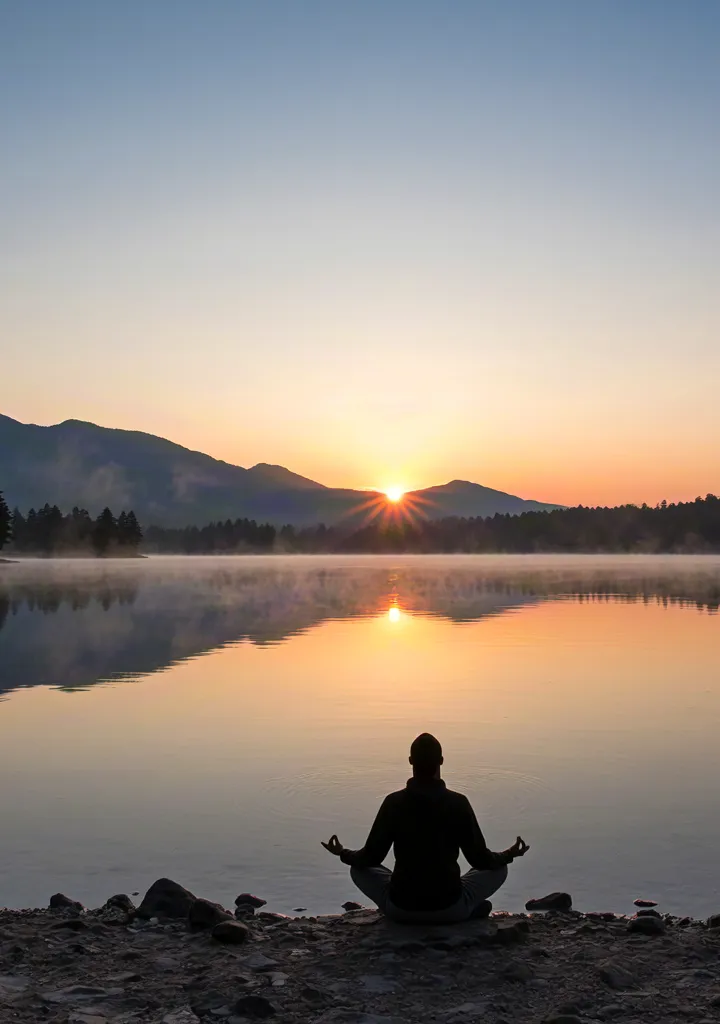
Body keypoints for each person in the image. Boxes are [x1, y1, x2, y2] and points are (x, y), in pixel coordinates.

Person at [322, 733, 529, 924]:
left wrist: (342, 853)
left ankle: (394, 910)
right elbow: (480, 859)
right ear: (441, 761)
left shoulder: (393, 802)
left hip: (401, 909)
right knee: (500, 867)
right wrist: (510, 854)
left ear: (411, 761)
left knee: (358, 869)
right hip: (449, 907)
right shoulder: (458, 803)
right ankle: (467, 909)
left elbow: (370, 858)